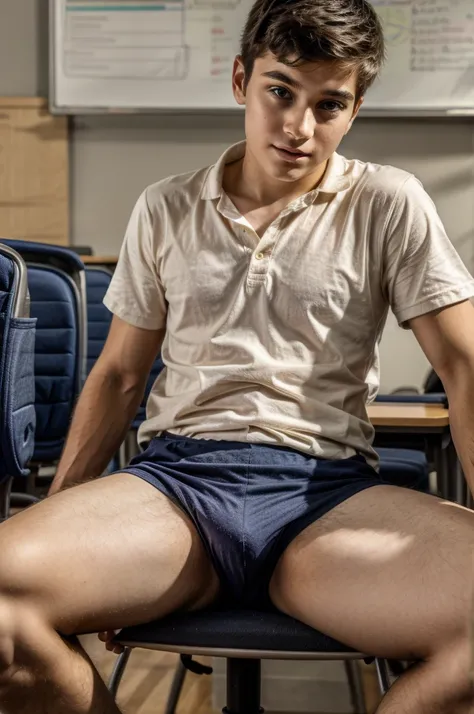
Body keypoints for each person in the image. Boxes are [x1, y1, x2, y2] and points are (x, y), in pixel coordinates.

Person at [1, 0, 474, 712]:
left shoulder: (388, 201)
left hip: (325, 498)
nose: (298, 127)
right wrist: (71, 516)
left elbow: (465, 365)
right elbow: (123, 374)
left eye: (329, 105)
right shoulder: (165, 206)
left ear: (355, 109)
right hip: (177, 490)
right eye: (280, 91)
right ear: (240, 80)